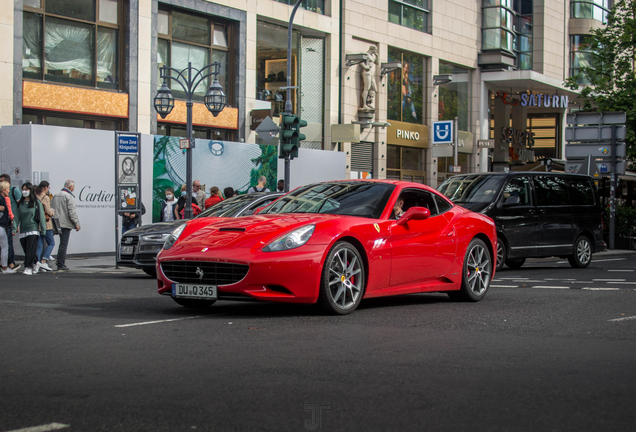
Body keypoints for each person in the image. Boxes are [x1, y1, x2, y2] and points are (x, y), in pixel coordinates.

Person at [14, 182, 46, 275]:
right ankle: (36, 262)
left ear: (31, 190)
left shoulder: (36, 202)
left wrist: (43, 230)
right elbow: (17, 217)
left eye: (26, 189)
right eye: (23, 189)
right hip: (23, 230)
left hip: (33, 229)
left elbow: (41, 217)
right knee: (27, 249)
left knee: (30, 249)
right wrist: (14, 228)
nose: (24, 191)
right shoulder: (20, 203)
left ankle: (28, 267)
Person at [51, 180, 81, 272]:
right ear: (70, 187)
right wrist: (76, 223)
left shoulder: (56, 195)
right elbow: (72, 212)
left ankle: (52, 260)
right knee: (63, 244)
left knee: (53, 242)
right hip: (65, 223)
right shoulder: (69, 196)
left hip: (55, 222)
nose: (74, 189)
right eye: (73, 187)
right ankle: (60, 263)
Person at [0, 173, 23, 271]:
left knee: (6, 244)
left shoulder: (13, 193)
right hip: (3, 224)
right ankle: (7, 265)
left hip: (6, 222)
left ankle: (8, 264)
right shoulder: (5, 199)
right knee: (6, 245)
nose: (8, 191)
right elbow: (9, 211)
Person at [35, 181, 55, 271]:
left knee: (39, 246)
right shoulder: (45, 197)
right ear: (46, 187)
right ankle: (44, 260)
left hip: (36, 224)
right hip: (46, 224)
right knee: (51, 243)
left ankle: (37, 263)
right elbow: (47, 211)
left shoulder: (35, 196)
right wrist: (52, 212)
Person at [0, 181, 16, 274]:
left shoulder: (3, 198)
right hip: (1, 226)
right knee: (4, 247)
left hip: (2, 225)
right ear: (3, 189)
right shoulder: (1, 199)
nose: (9, 191)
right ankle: (5, 267)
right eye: (7, 189)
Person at [360, 45, 379, 110]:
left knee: (374, 88)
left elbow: (377, 63)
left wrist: (377, 56)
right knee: (366, 88)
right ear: (372, 49)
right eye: (375, 50)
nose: (376, 51)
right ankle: (364, 104)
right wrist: (365, 67)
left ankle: (369, 101)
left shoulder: (373, 56)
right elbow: (361, 61)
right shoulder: (366, 54)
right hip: (366, 73)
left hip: (371, 73)